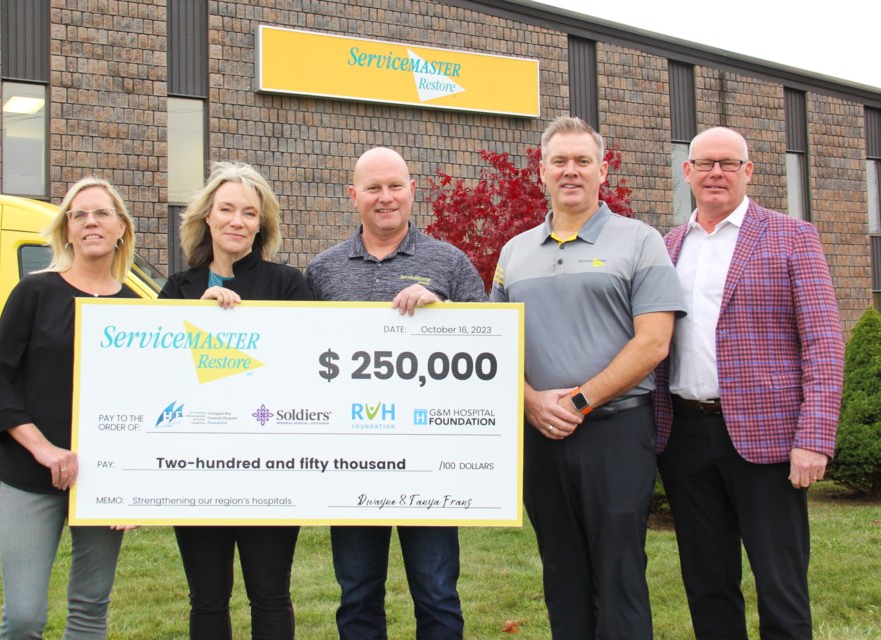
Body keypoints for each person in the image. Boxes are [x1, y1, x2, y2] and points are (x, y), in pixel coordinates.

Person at [490, 116, 685, 639]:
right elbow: (495, 345)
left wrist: (578, 402)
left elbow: (653, 343)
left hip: (617, 431)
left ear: (603, 170)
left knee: (620, 569)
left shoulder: (641, 242)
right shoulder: (514, 252)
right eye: (560, 161)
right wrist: (530, 401)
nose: (570, 171)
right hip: (540, 434)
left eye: (582, 161)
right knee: (562, 570)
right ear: (542, 172)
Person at [653, 127, 844, 639]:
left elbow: (824, 343)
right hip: (685, 438)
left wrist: (813, 438)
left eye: (729, 163)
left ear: (748, 172)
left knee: (781, 586)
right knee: (707, 583)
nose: (717, 172)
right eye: (706, 163)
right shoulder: (668, 245)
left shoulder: (792, 236)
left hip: (771, 441)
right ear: (687, 171)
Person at [305, 147, 485, 639]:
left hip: (429, 460)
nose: (385, 198)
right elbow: (300, 357)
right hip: (351, 461)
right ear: (353, 197)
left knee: (437, 594)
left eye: (395, 186)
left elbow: (491, 346)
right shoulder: (322, 271)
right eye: (373, 188)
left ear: (412, 190)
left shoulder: (450, 263)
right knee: (358, 594)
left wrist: (443, 310)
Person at [0, 177, 138, 639]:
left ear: (121, 227)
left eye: (101, 213)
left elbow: (151, 394)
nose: (90, 222)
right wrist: (44, 450)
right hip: (30, 472)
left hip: (104, 480)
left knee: (89, 610)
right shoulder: (34, 293)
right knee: (23, 616)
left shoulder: (137, 307)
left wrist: (136, 486)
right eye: (78, 215)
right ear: (66, 231)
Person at [159, 162, 311, 640]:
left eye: (249, 212)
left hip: (269, 466)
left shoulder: (288, 286)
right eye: (226, 209)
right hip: (196, 467)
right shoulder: (177, 290)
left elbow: (309, 366)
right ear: (207, 216)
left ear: (261, 224)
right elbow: (157, 378)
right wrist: (193, 324)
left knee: (269, 594)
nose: (237, 221)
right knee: (207, 599)